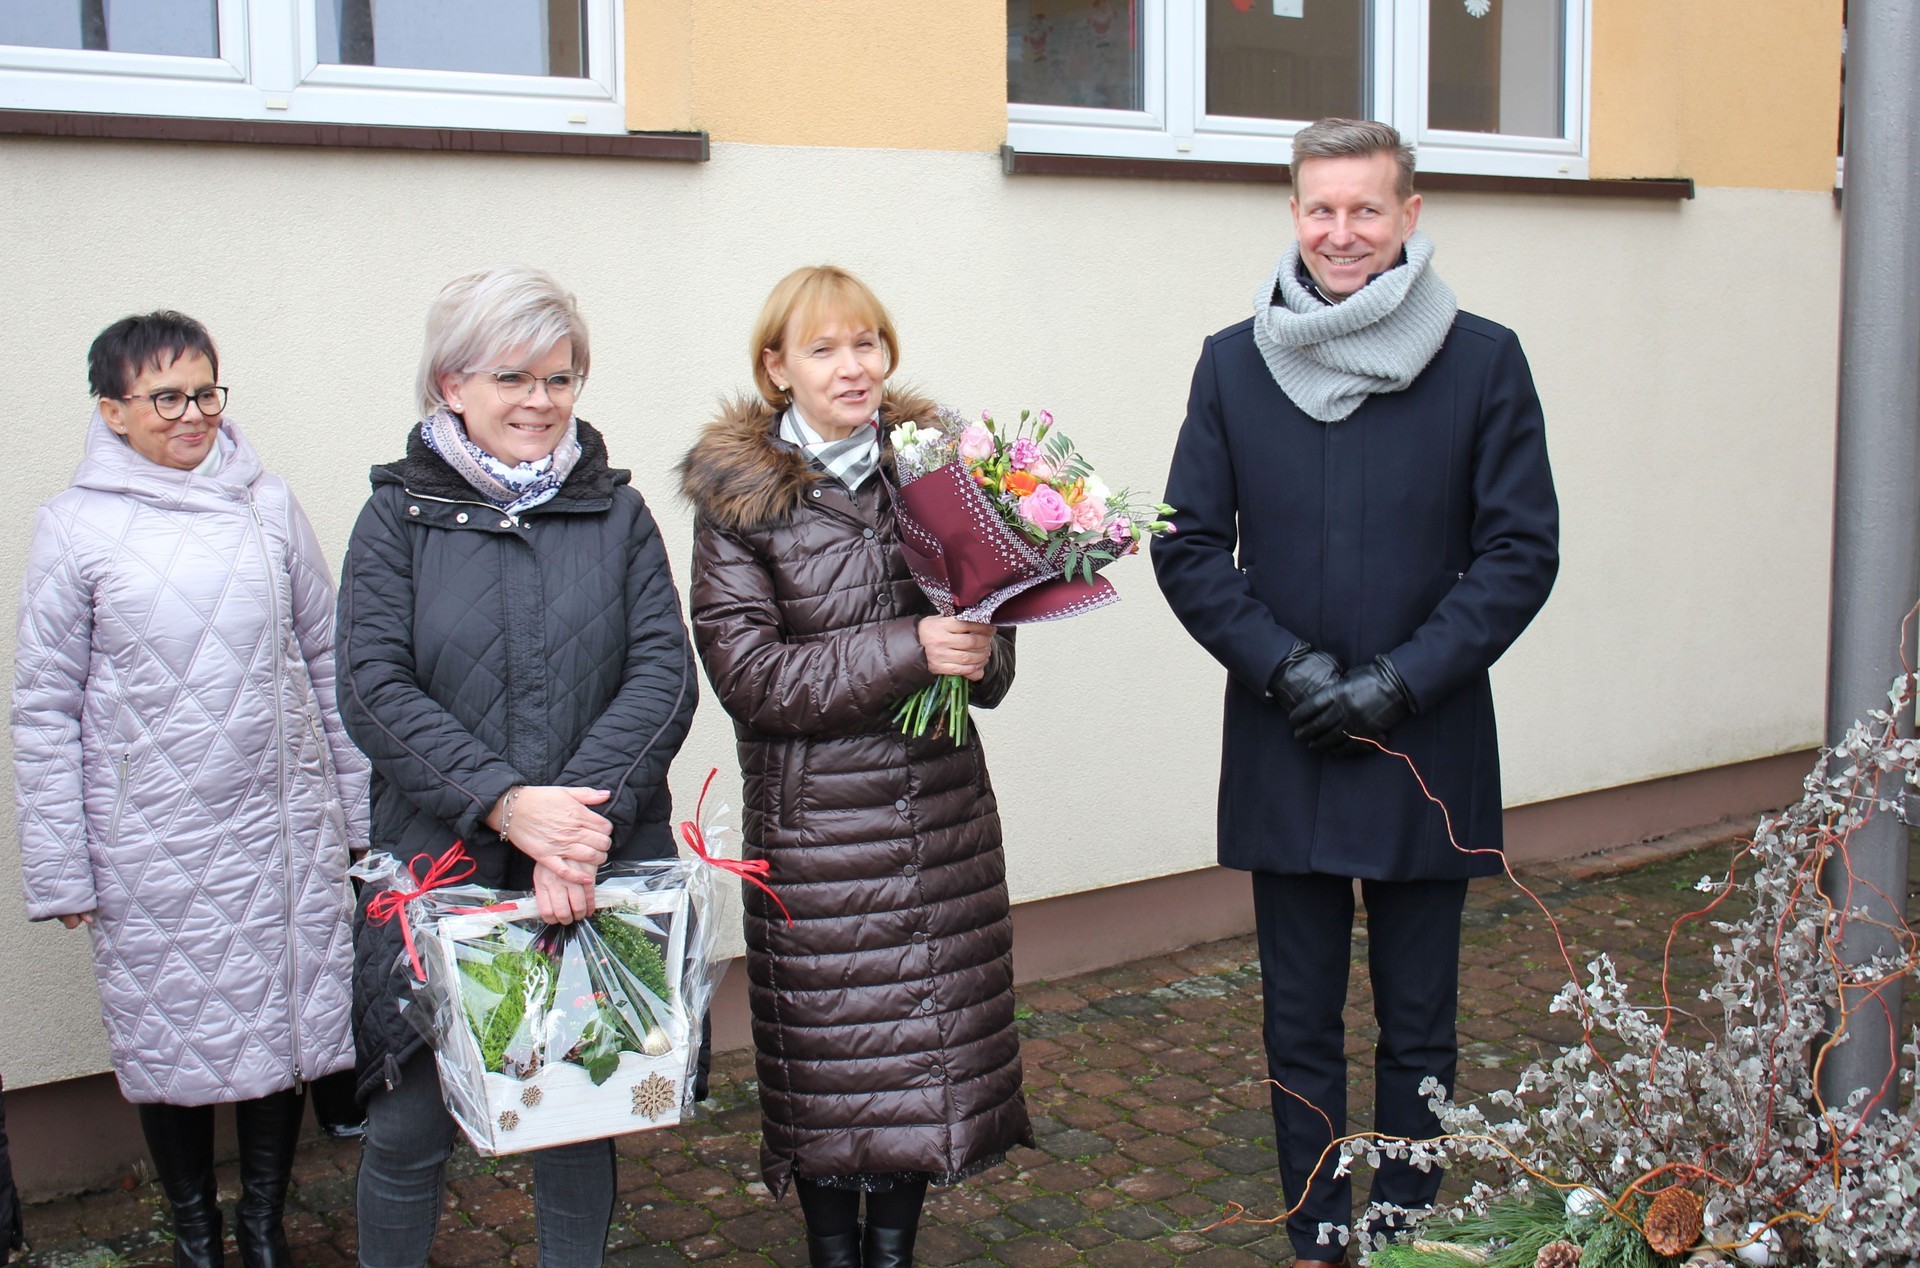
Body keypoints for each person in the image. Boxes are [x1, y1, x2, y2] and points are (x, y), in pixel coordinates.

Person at [1151, 118, 1560, 1266]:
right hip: (1285, 738)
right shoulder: (1234, 363)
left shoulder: (1482, 360)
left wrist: (1399, 681)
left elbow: (1520, 551)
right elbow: (1188, 545)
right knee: (1299, 1023)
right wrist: (1285, 666)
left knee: (1420, 1025)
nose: (1342, 232)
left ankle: (1407, 1234)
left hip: (1424, 745)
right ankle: (1322, 1237)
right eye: (1321, 209)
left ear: (1409, 215)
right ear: (1294, 214)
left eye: (1365, 208)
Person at [339, 265, 697, 1268]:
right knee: (408, 1127)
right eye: (513, 377)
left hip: (589, 862)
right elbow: (373, 687)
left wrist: (575, 834)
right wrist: (505, 804)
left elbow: (663, 676)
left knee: (576, 1114)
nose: (540, 401)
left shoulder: (618, 514)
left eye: (560, 378)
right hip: (438, 866)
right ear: (451, 383)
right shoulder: (395, 517)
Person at [679, 265, 1030, 1268]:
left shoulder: (938, 472)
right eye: (824, 348)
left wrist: (981, 648)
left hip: (940, 820)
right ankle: (834, 1251)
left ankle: (893, 1252)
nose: (852, 365)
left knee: (923, 1058)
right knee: (830, 1065)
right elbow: (752, 676)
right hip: (820, 837)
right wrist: (910, 647)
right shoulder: (739, 502)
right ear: (776, 368)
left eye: (866, 342)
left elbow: (992, 657)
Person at [14, 311, 368, 1268]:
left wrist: (358, 817)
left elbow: (329, 661)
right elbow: (44, 707)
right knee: (169, 1040)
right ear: (112, 410)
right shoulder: (74, 526)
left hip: (280, 828)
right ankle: (195, 1235)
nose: (191, 413)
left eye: (205, 392)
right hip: (152, 842)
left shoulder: (268, 504)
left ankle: (262, 1226)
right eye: (165, 397)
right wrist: (63, 867)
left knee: (283, 1028)